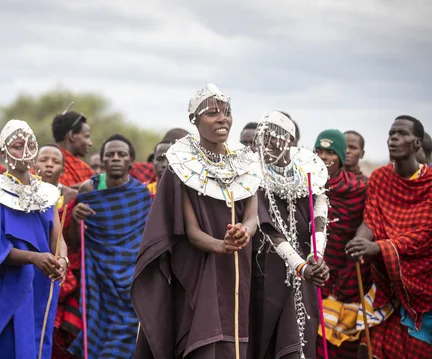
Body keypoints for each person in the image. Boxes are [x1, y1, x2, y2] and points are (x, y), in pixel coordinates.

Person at [132, 84, 262, 358]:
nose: (222, 119)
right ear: (194, 120)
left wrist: (244, 232)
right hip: (200, 267)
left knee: (237, 336)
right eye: (212, 113)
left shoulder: (247, 163)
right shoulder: (181, 166)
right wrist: (220, 245)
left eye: (226, 112)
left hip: (239, 266)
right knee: (203, 340)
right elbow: (191, 231)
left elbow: (252, 216)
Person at [0, 120, 66, 359]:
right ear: (3, 151)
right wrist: (34, 257)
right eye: (19, 145)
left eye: (31, 144)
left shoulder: (48, 193)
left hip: (38, 285)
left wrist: (61, 259)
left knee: (34, 347)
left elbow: (57, 236)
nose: (26, 151)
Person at [346, 115, 432, 358]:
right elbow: (371, 218)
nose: (393, 138)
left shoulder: (429, 183)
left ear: (417, 143)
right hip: (387, 281)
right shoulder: (382, 178)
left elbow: (425, 236)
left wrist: (379, 248)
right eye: (391, 133)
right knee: (375, 345)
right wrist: (359, 242)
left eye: (401, 134)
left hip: (423, 285)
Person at [249, 112, 329, 359]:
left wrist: (316, 257)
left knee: (304, 336)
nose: (267, 144)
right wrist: (300, 266)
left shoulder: (310, 172)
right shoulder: (253, 176)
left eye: (274, 138)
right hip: (268, 274)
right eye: (262, 138)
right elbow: (266, 227)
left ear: (290, 141)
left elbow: (320, 215)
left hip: (308, 273)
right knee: (268, 339)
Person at [68, 134, 152, 358]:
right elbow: (74, 243)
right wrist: (75, 218)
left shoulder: (141, 195)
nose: (116, 158)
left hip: (131, 278)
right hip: (98, 277)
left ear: (131, 160)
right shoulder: (89, 190)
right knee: (98, 330)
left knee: (127, 334)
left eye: (121, 154)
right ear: (102, 160)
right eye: (110, 155)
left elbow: (145, 239)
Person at [314, 129, 369, 358]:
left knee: (343, 342)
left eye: (331, 152)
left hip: (348, 276)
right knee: (314, 339)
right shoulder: (305, 186)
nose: (325, 157)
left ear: (341, 157)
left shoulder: (359, 189)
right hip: (315, 273)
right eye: (320, 151)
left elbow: (368, 227)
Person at [33, 144, 81, 359]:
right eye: (44, 160)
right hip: (33, 264)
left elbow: (71, 238)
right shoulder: (24, 194)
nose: (49, 165)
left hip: (62, 267)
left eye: (55, 161)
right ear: (34, 164)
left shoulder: (71, 197)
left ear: (63, 170)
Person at [52, 111, 93, 189]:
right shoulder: (48, 166)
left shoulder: (85, 169)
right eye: (87, 136)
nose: (90, 143)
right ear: (72, 135)